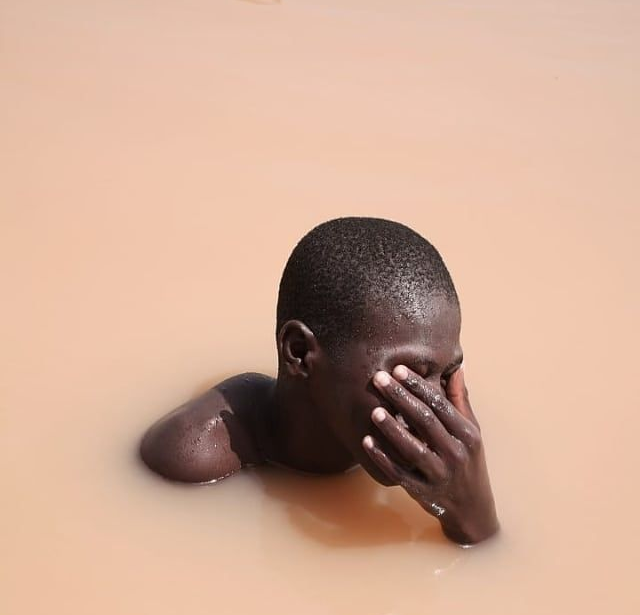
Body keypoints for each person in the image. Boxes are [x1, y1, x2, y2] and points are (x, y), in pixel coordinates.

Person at [140, 217, 499, 545]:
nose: (432, 411)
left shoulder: (440, 443)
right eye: (409, 378)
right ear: (299, 353)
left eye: (447, 373)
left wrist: (470, 512)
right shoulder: (192, 456)